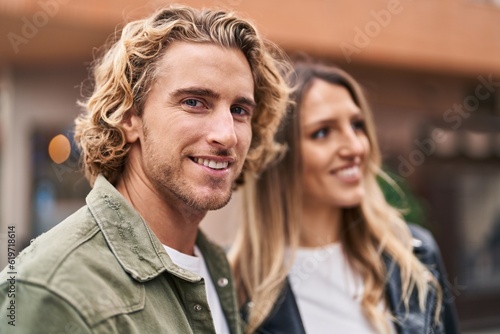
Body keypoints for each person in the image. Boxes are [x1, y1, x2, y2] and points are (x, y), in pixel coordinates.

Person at [0, 5, 291, 333]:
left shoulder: (217, 267)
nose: (227, 135)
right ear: (128, 117)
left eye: (239, 110)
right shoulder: (53, 289)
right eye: (194, 102)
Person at [229, 61, 460, 333]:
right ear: (279, 156)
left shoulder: (415, 254)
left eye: (357, 125)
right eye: (323, 132)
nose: (355, 147)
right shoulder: (235, 289)